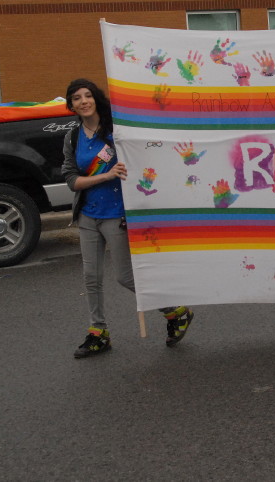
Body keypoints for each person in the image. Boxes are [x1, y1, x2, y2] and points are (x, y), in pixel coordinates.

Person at [62, 78, 193, 358]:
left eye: (87, 95)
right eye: (76, 98)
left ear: (96, 98)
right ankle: (98, 332)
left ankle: (176, 312)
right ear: (71, 104)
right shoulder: (73, 137)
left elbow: (145, 159)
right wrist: (106, 175)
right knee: (91, 278)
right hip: (88, 215)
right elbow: (72, 180)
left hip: (117, 214)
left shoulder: (117, 131)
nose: (83, 101)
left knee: (125, 277)